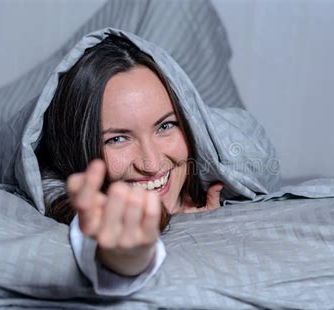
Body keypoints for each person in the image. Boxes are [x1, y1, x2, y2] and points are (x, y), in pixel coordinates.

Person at [36, 35, 224, 282]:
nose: (151, 164)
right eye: (117, 139)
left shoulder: (210, 169)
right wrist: (128, 254)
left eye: (165, 126)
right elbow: (105, 241)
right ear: (76, 149)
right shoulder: (59, 190)